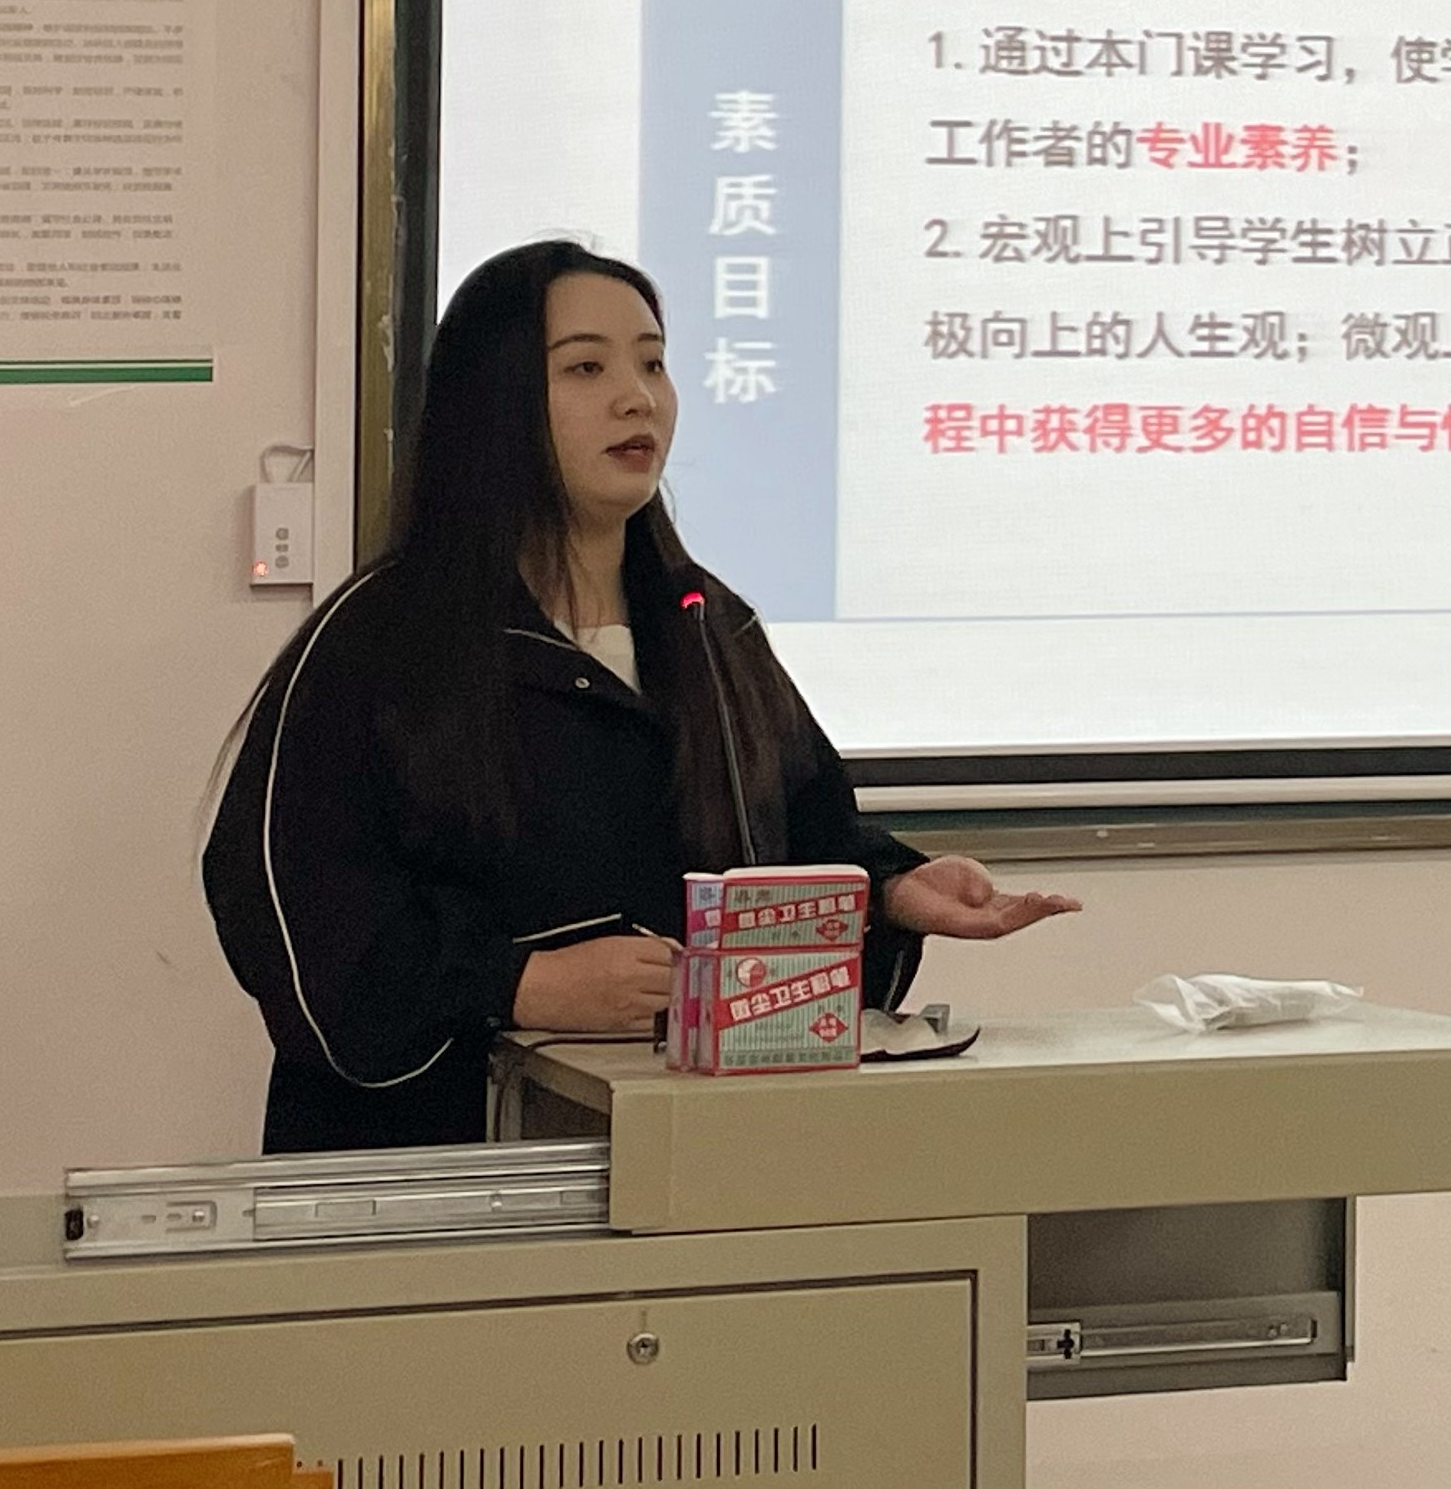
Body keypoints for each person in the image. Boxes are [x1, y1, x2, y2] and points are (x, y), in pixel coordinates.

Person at [205, 239, 1077, 1152]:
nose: (638, 398)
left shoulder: (708, 627)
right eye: (586, 368)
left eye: (653, 364)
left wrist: (892, 890)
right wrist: (517, 986)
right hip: (445, 1166)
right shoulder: (385, 641)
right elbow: (288, 906)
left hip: (695, 1152)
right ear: (493, 402)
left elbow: (798, 838)